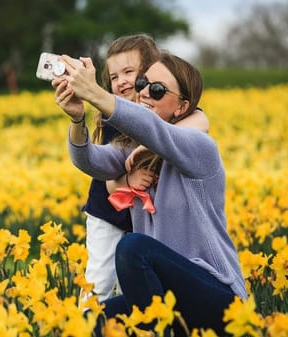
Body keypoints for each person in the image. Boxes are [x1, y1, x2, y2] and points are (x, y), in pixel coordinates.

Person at [53, 52, 247, 336]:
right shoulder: (135, 152)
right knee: (94, 319)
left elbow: (155, 129)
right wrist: (77, 118)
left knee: (133, 248)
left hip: (222, 301)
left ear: (182, 107)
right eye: (144, 83)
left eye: (157, 90)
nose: (143, 92)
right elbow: (90, 161)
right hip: (170, 298)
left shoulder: (200, 148)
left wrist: (94, 92)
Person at [70, 34, 210, 304]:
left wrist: (157, 143)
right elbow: (109, 179)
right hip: (108, 211)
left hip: (144, 215)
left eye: (129, 72)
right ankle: (83, 323)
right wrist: (127, 177)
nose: (121, 81)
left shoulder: (169, 112)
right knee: (98, 279)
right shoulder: (114, 116)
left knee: (132, 282)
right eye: (113, 77)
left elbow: (200, 121)